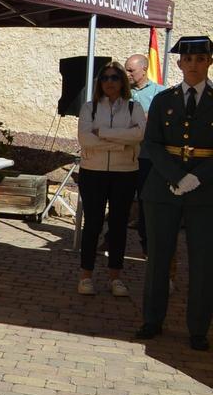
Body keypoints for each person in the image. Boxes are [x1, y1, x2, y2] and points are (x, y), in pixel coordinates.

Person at [137, 35, 213, 351]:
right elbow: (151, 143)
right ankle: (152, 320)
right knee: (158, 257)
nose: (193, 65)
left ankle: (198, 328)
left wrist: (196, 178)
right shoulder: (163, 100)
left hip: (206, 191)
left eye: (200, 59)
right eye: (187, 59)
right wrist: (177, 177)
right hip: (163, 188)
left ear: (209, 61)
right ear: (179, 63)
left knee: (204, 262)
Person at [75, 61, 145, 297]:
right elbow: (85, 139)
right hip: (92, 172)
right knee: (93, 224)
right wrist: (121, 143)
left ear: (122, 81)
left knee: (118, 226)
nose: (109, 82)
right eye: (105, 78)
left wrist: (103, 133)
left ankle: (115, 277)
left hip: (125, 173)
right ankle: (86, 276)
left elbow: (139, 135)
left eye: (115, 77)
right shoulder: (89, 108)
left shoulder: (134, 108)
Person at [126, 52, 167, 255]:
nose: (128, 74)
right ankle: (110, 239)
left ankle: (147, 245)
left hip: (146, 158)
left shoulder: (160, 93)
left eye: (131, 70)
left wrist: (140, 117)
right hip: (124, 156)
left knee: (144, 202)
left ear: (144, 69)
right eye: (125, 70)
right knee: (120, 201)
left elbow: (157, 122)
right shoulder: (123, 91)